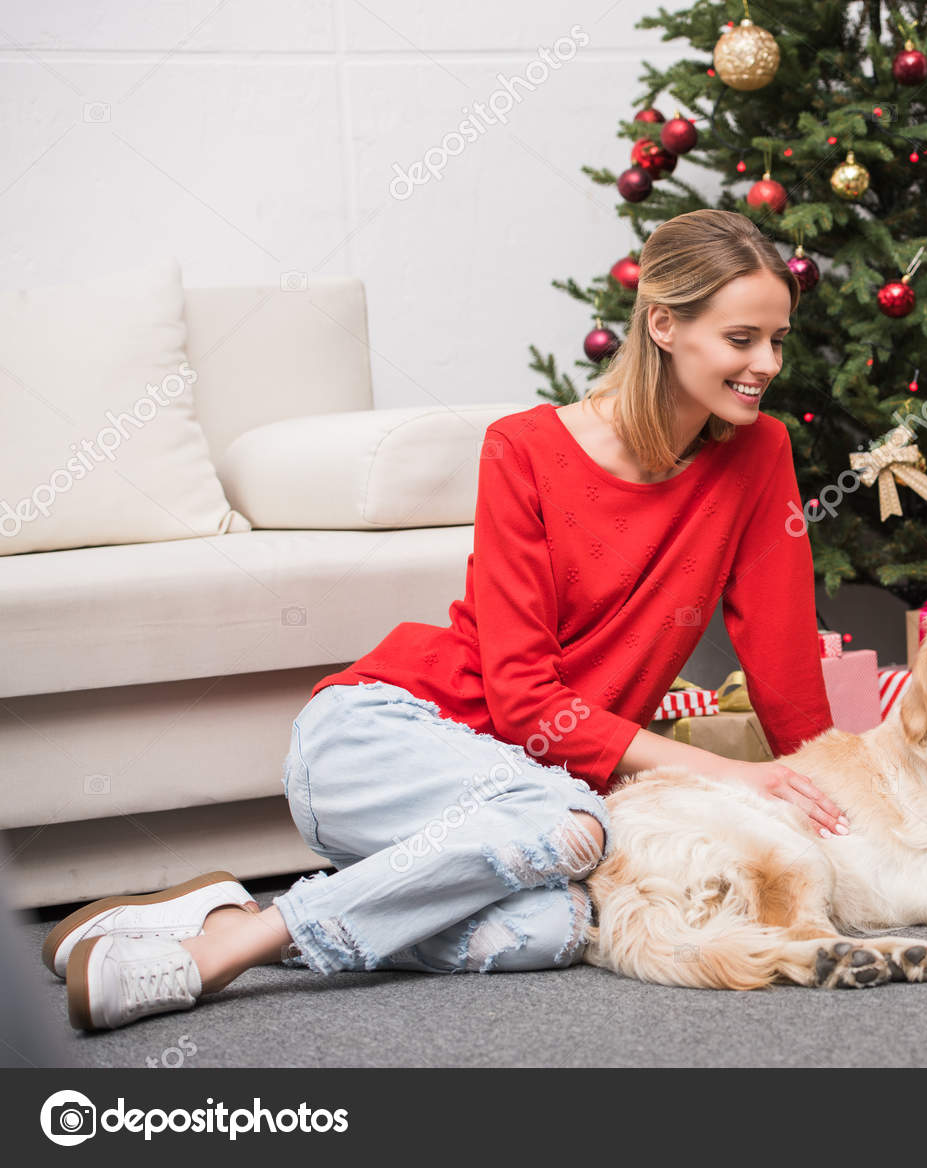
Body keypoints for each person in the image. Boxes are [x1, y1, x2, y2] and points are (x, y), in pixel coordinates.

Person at [55, 209, 849, 1031]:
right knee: (572, 822)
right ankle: (215, 958)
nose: (767, 365)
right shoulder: (525, 448)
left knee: (559, 926)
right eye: (742, 339)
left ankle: (229, 918)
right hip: (379, 742)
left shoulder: (760, 453)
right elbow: (526, 705)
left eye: (777, 341)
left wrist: (832, 799)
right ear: (664, 325)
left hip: (525, 806)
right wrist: (729, 774)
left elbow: (783, 653)